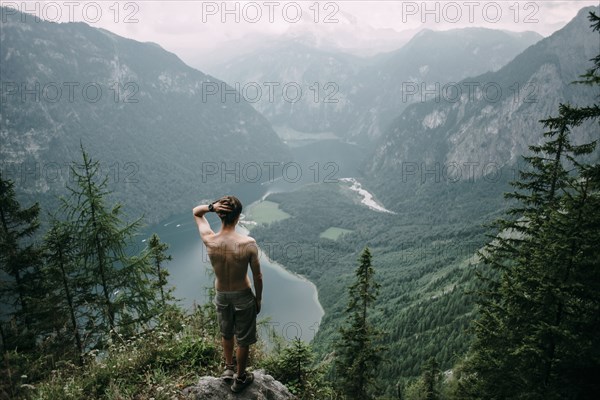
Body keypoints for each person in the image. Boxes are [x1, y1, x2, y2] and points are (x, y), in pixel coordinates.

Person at [193, 195, 262, 393]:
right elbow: (258, 276)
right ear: (238, 217)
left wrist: (211, 207)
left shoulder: (210, 240)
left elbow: (196, 212)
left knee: (226, 332)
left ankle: (228, 368)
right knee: (244, 339)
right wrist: (258, 299)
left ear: (220, 215)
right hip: (243, 295)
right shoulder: (248, 243)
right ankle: (240, 378)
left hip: (222, 295)